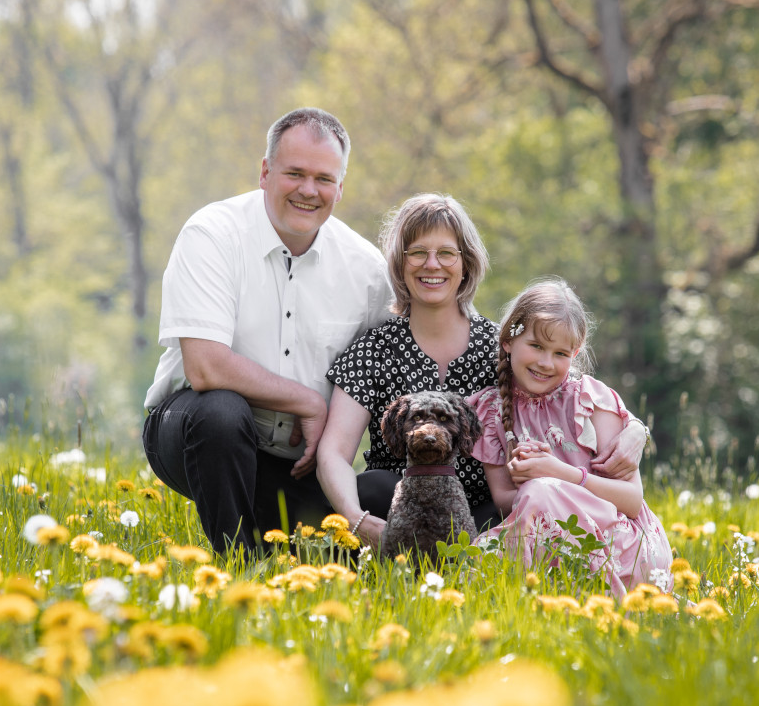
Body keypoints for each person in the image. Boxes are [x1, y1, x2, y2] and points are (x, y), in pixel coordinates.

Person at [317, 195, 651, 548]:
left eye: (446, 253)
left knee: (521, 506)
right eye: (417, 252)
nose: (432, 265)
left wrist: (636, 429)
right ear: (400, 263)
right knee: (370, 486)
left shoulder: (504, 346)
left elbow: (566, 389)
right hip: (399, 504)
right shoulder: (374, 349)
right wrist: (357, 521)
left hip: (490, 509)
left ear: (466, 263)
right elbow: (334, 453)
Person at [142, 107, 392, 554]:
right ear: (264, 172)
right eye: (294, 173)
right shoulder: (212, 235)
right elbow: (205, 367)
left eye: (324, 179)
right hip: (195, 434)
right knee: (221, 412)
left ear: (340, 187)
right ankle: (237, 563)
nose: (308, 191)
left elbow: (391, 376)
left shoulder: (368, 270)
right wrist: (308, 402)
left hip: (299, 463)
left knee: (381, 494)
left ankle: (285, 548)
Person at [468, 277, 673, 596]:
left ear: (575, 353)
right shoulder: (491, 411)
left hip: (618, 542)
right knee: (537, 493)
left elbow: (631, 501)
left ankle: (589, 594)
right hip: (544, 533)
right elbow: (504, 501)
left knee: (541, 491)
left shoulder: (590, 401)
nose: (545, 362)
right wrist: (527, 480)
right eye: (536, 346)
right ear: (509, 340)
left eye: (560, 353)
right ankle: (530, 597)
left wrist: (555, 474)